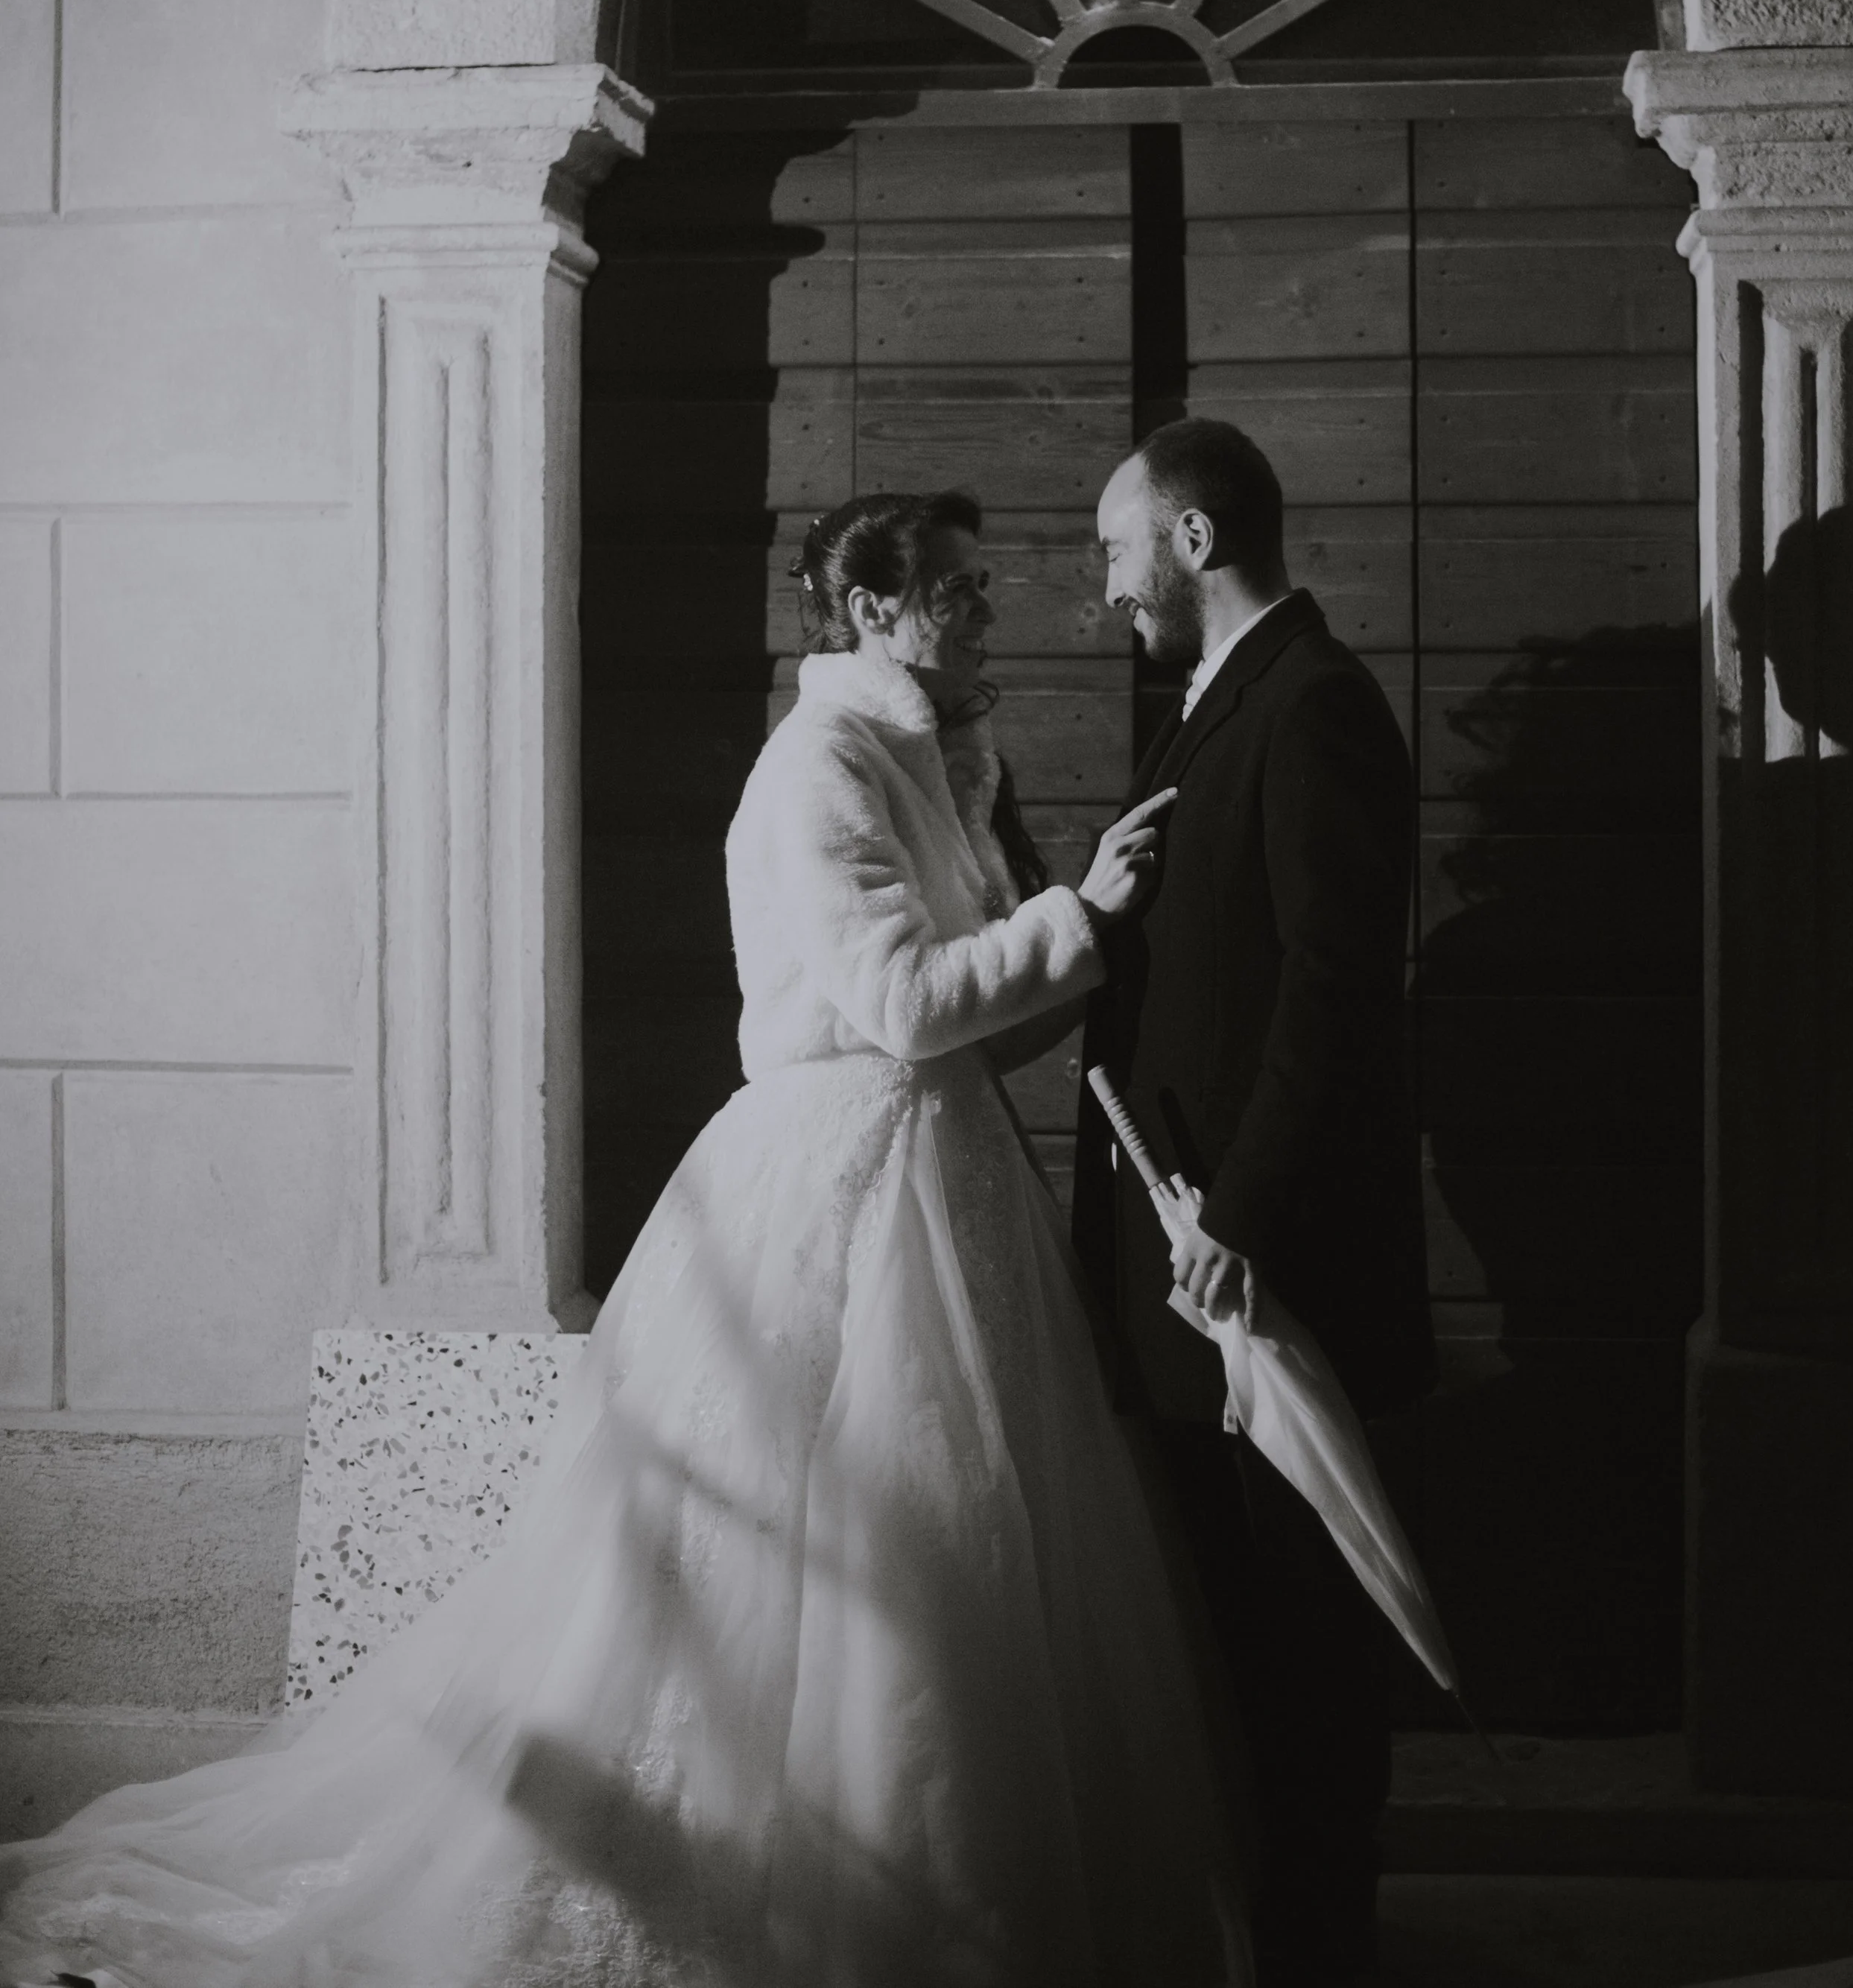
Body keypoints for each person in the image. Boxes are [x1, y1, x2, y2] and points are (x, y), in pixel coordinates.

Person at [0, 486, 1242, 1988]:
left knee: (947, 1570)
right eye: (959, 593)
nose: (985, 614)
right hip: (830, 1187)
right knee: (796, 1556)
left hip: (942, 1179)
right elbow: (901, 1006)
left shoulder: (946, 761)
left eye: (980, 591)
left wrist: (1092, 944)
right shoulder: (817, 763)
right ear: (869, 614)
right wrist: (1082, 920)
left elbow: (977, 1032)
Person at [1074, 421, 1434, 1988]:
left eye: (1114, 549)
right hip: (1195, 1270)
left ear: (1196, 538)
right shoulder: (1218, 707)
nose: (1105, 593)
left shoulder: (1314, 706)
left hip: (1262, 1273)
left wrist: (1243, 1215)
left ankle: (1317, 1957)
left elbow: (1336, 992)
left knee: (1303, 1649)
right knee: (1241, 1640)